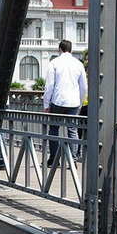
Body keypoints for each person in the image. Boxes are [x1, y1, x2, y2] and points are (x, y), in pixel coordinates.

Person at [43, 39, 87, 167]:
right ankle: (73, 159)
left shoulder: (54, 63)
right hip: (73, 102)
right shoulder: (78, 64)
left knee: (54, 129)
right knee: (72, 130)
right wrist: (80, 102)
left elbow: (49, 86)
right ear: (71, 50)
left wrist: (46, 104)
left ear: (59, 49)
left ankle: (54, 159)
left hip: (58, 100)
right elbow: (83, 86)